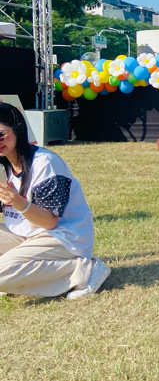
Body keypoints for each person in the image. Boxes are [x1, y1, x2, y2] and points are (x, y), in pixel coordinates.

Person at [0, 102, 110, 299]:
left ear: (18, 129)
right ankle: (17, 272)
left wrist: (17, 201)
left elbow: (49, 221)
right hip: (25, 233)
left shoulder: (45, 163)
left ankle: (84, 269)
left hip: (63, 236)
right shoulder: (5, 164)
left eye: (1, 134)